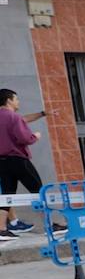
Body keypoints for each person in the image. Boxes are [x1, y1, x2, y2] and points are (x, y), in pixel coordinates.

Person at [0, 88, 64, 241]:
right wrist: (34, 136)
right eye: (16, 99)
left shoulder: (7, 117)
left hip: (2, 162)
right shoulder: (13, 117)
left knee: (7, 195)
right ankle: (49, 225)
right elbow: (24, 138)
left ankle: (1, 229)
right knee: (38, 190)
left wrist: (43, 113)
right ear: (9, 100)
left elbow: (22, 119)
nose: (18, 101)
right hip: (18, 160)